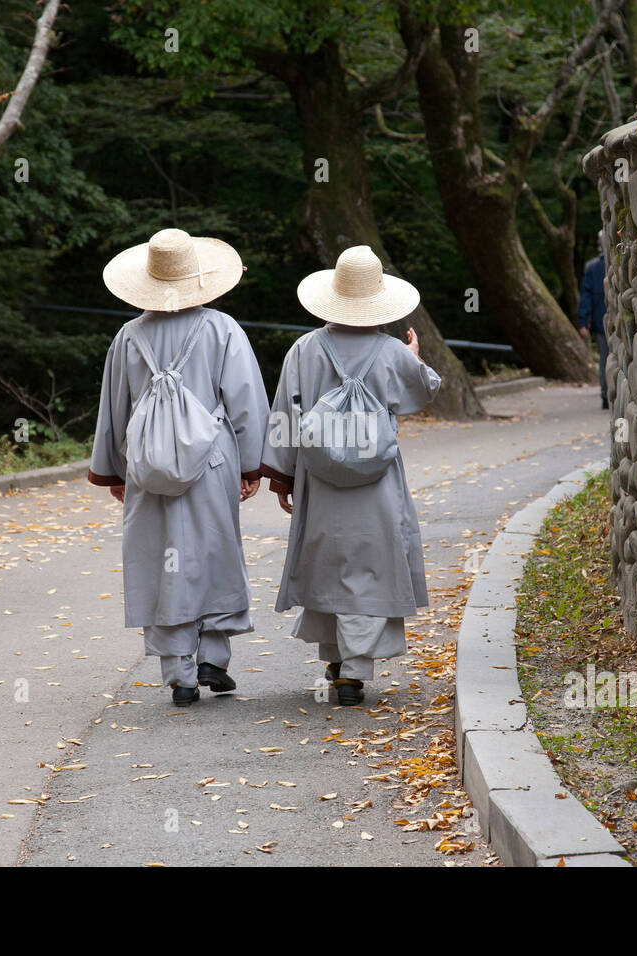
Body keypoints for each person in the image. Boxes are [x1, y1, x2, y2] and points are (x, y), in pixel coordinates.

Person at [88, 228, 269, 707]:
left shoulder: (129, 336)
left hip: (149, 462)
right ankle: (213, 655)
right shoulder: (221, 328)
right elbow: (247, 401)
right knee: (213, 549)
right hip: (211, 459)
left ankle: (179, 674)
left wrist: (116, 471)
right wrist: (252, 464)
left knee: (161, 556)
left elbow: (115, 410)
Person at [260, 246, 441, 706]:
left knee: (329, 564)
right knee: (371, 565)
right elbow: (426, 390)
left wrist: (283, 478)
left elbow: (283, 413)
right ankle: (355, 672)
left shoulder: (304, 349)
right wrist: (413, 356)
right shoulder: (390, 352)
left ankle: (337, 658)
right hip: (377, 483)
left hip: (319, 482)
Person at [577, 231, 609, 410]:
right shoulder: (594, 268)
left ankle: (606, 394)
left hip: (599, 320)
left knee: (605, 358)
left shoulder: (592, 268)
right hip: (601, 320)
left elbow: (585, 296)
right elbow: (586, 296)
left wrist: (584, 321)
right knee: (607, 358)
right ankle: (607, 393)